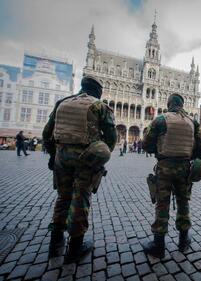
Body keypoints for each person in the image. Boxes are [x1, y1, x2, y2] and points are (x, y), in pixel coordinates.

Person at [43, 75, 117, 263]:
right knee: (81, 198)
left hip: (62, 157)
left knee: (63, 196)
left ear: (82, 87)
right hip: (86, 158)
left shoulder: (62, 103)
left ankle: (56, 241)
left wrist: (54, 155)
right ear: (99, 92)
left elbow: (47, 133)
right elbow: (111, 138)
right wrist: (100, 154)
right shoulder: (100, 106)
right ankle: (76, 246)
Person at [142, 93, 201, 258]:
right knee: (183, 202)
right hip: (184, 169)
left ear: (169, 104)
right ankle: (184, 241)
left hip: (164, 168)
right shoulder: (193, 123)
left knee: (162, 204)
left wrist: (159, 150)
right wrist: (188, 156)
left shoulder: (161, 119)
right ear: (182, 105)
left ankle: (159, 245)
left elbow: (146, 144)